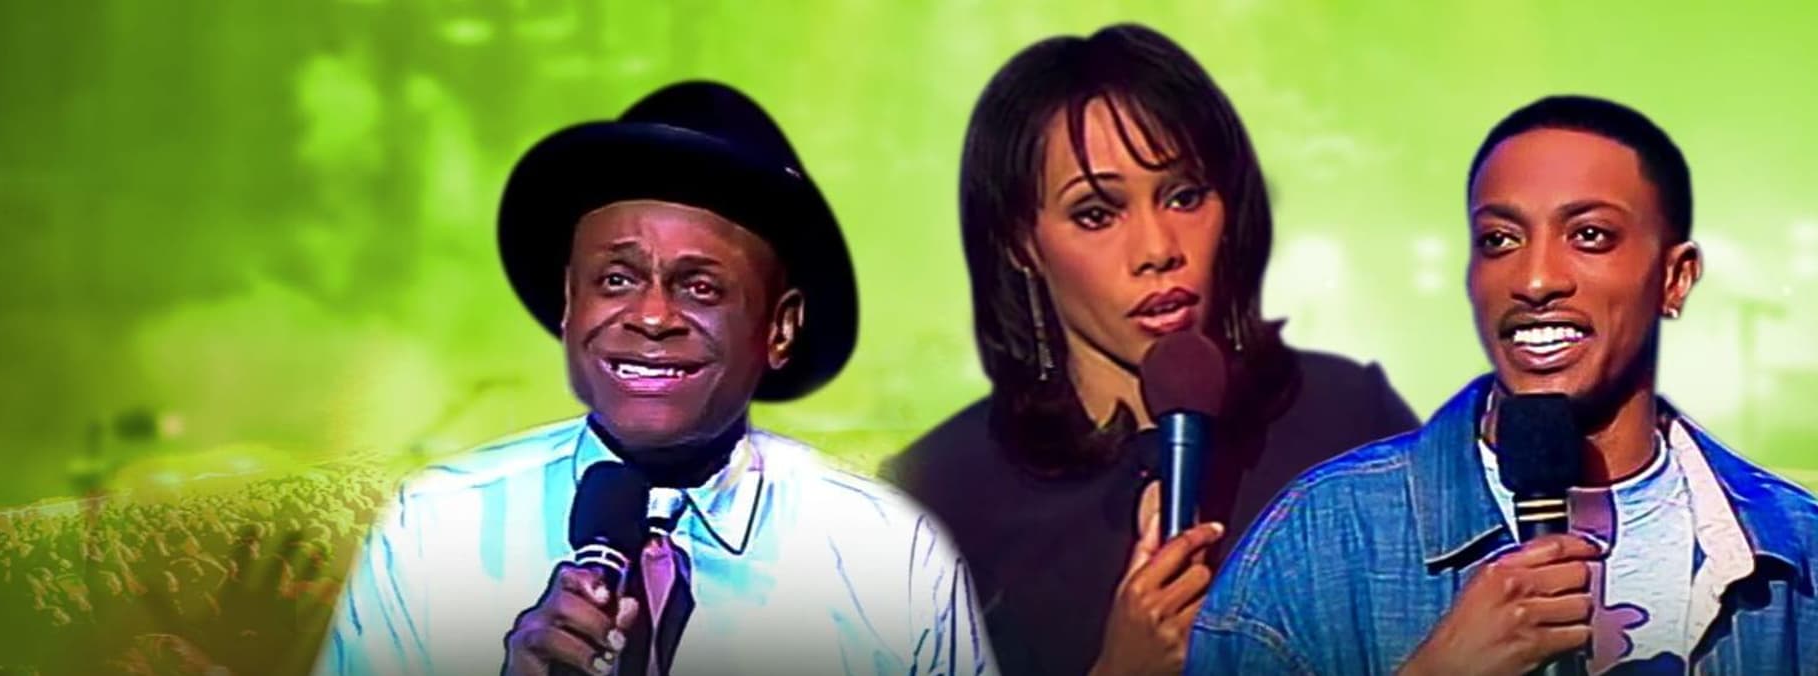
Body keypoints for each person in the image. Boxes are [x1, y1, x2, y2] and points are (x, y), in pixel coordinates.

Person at [314, 81, 995, 676]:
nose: (651, 316)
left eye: (700, 288)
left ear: (780, 328)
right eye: (616, 279)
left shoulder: (888, 559)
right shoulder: (436, 530)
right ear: (569, 302)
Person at [1187, 95, 1818, 674]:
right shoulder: (1324, 537)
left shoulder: (1795, 550)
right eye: (1500, 240)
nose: (1535, 280)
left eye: (1589, 235)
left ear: (1674, 279)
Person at [882, 24, 1419, 676]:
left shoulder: (1349, 420)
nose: (1158, 249)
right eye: (1096, 214)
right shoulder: (937, 495)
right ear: (1021, 243)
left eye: (1184, 197)